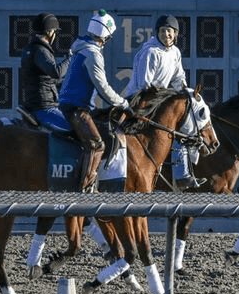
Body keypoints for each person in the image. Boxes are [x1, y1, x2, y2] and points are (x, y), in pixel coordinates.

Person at [123, 14, 204, 189]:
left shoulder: (175, 52)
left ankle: (183, 175)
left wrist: (183, 90)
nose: (166, 34)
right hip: (140, 100)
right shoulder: (150, 53)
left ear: (175, 34)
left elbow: (178, 77)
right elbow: (145, 85)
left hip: (158, 100)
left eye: (170, 31)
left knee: (183, 127)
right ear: (157, 33)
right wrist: (169, 96)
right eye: (163, 31)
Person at [58, 10, 129, 191]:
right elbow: (103, 87)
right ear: (105, 36)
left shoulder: (80, 48)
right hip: (77, 108)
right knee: (97, 144)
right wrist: (123, 103)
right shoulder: (93, 54)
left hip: (73, 105)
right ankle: (86, 190)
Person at [18, 12, 70, 133]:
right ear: (49, 32)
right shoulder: (40, 51)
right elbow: (56, 72)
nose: (55, 35)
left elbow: (49, 80)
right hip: (44, 108)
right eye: (55, 32)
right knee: (75, 130)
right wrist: (70, 59)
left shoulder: (30, 49)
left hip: (35, 104)